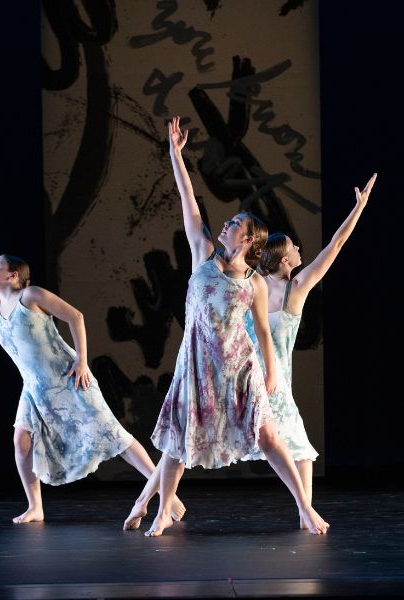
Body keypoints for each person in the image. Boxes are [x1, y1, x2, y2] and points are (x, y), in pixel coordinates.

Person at [127, 116, 329, 536]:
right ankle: (164, 510)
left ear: (250, 239)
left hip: (240, 368)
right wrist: (175, 155)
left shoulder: (254, 283)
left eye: (234, 223)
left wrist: (272, 371)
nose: (225, 224)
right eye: (228, 221)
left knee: (269, 437)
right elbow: (190, 202)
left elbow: (260, 331)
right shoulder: (203, 254)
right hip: (197, 365)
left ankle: (305, 509)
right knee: (177, 443)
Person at [0, 227, 184, 524]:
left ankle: (168, 496)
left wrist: (82, 361)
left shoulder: (31, 296)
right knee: (21, 442)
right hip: (35, 388)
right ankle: (35, 506)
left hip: (68, 379)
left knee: (114, 437)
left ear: (14, 275)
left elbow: (75, 316)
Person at [253, 173, 376, 528]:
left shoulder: (276, 286)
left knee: (299, 447)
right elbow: (334, 246)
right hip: (262, 384)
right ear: (283, 259)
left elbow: (334, 246)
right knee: (298, 448)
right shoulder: (281, 287)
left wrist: (358, 209)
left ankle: (305, 512)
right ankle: (305, 511)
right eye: (294, 248)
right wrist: (359, 208)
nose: (299, 252)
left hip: (264, 384)